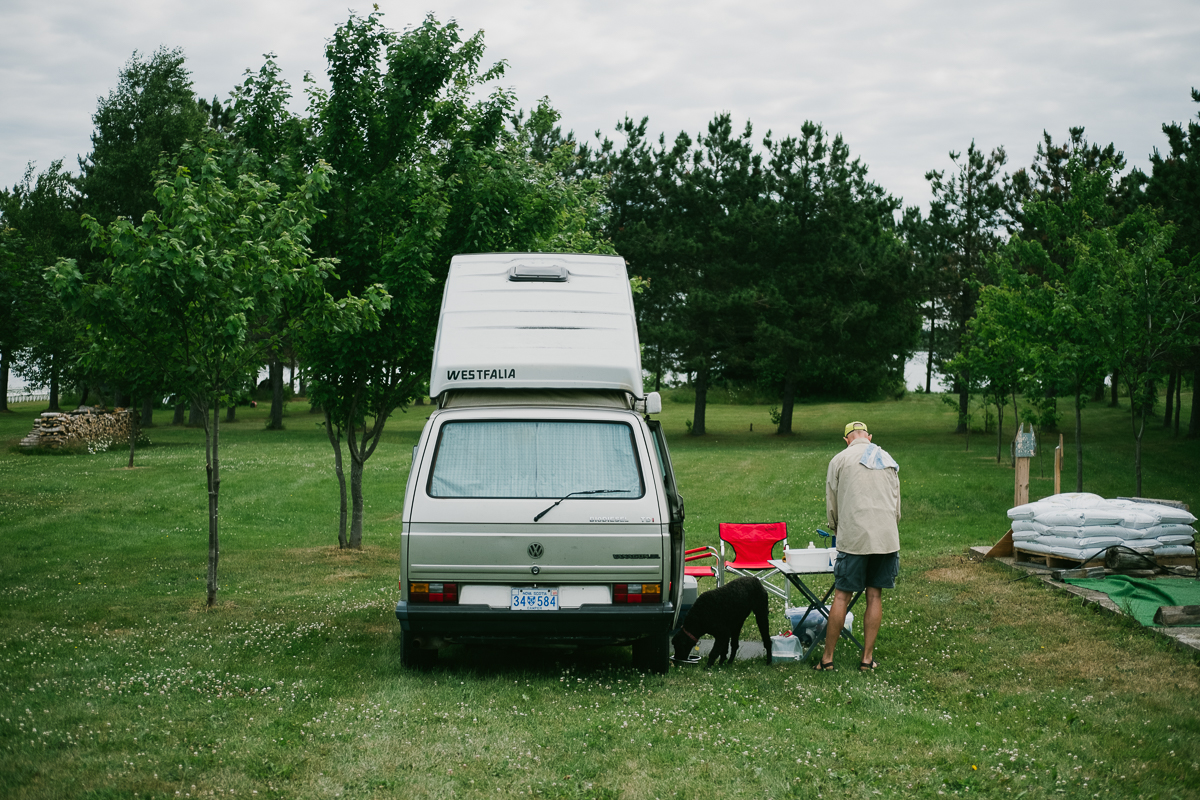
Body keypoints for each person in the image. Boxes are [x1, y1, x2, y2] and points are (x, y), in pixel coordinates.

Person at [814, 420, 900, 671]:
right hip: (886, 537)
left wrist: (836, 527)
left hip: (854, 537)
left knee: (842, 595)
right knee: (874, 595)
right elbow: (896, 504)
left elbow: (833, 501)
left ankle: (827, 658)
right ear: (869, 437)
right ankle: (867, 659)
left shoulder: (840, 459)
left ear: (847, 439)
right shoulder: (888, 458)